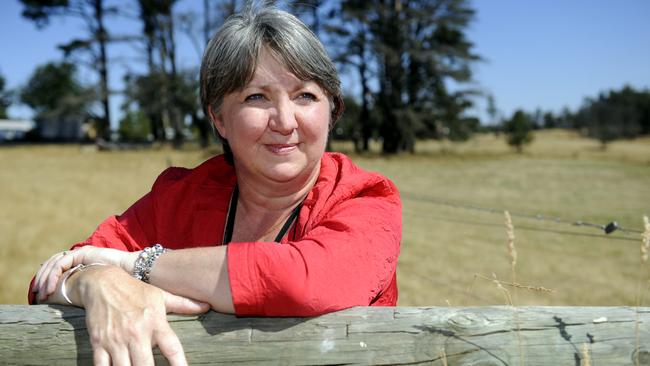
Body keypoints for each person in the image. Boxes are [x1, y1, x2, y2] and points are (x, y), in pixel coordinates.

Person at [29, 5, 401, 365]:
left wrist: (134, 264)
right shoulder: (182, 197)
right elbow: (50, 279)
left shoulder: (365, 198)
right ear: (219, 118)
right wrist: (97, 281)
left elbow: (306, 280)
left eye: (305, 95)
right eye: (257, 97)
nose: (285, 121)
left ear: (332, 108)